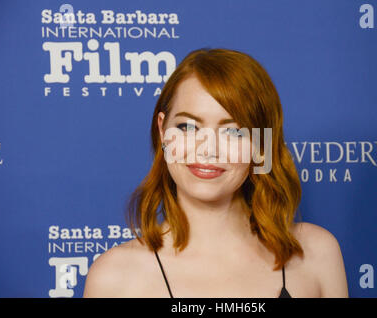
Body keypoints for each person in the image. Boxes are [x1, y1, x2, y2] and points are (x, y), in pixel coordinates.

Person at [83, 48, 348, 298]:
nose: (208, 149)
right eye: (188, 127)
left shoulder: (316, 253)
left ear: (262, 144)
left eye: (233, 131)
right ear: (163, 131)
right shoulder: (113, 278)